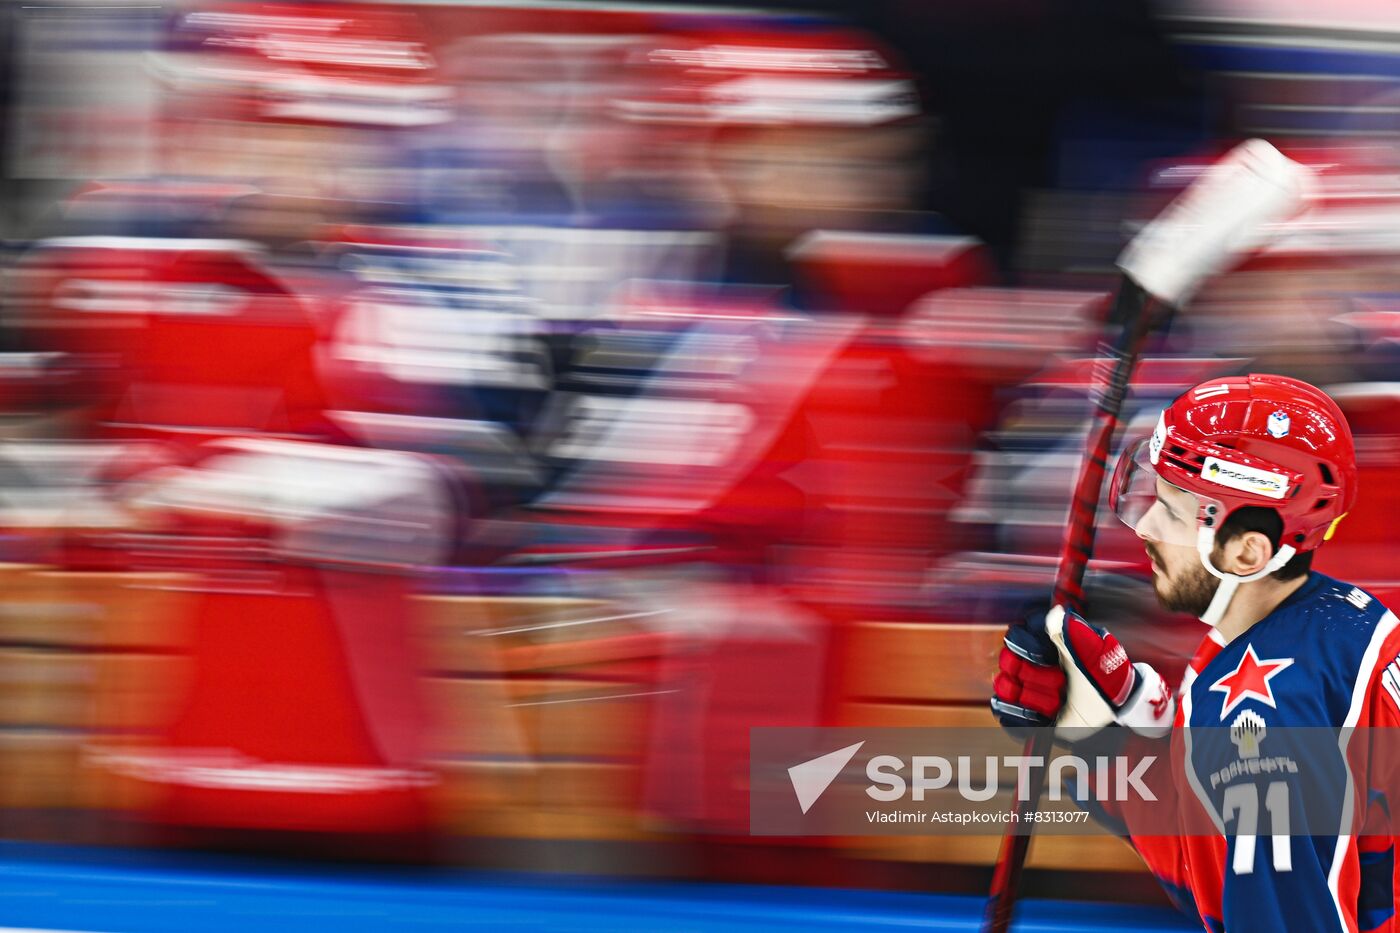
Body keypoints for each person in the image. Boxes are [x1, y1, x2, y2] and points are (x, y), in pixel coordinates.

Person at [991, 373, 1400, 933]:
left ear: (1248, 551)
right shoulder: (1327, 619)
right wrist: (1105, 743)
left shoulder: (1262, 720)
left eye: (1173, 512)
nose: (1147, 528)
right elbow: (1213, 866)